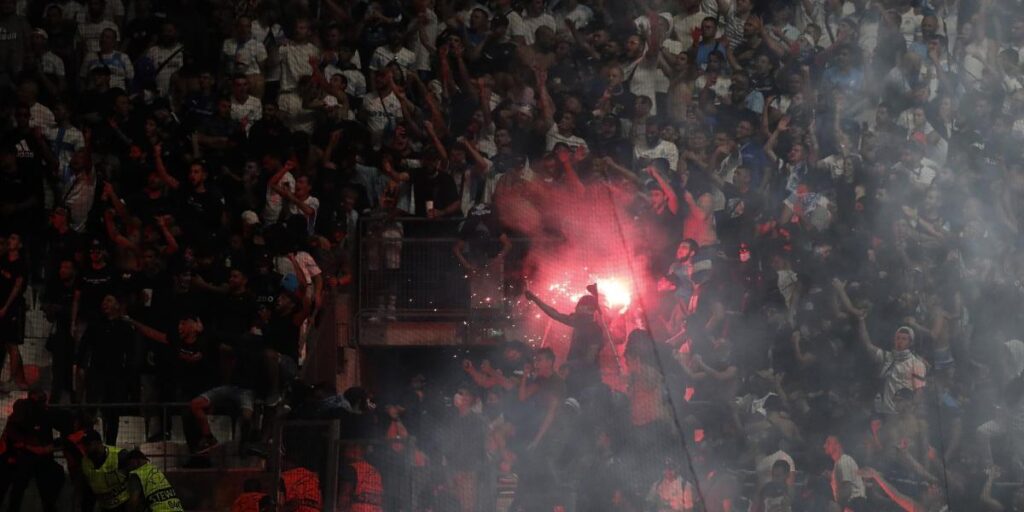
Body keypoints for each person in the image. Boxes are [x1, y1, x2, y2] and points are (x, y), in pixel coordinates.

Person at [80, 430, 130, 511]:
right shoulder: (85, 462)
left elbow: (135, 478)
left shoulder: (119, 455)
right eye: (84, 445)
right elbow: (85, 485)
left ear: (98, 443)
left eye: (88, 445)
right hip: (105, 506)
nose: (85, 448)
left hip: (124, 504)